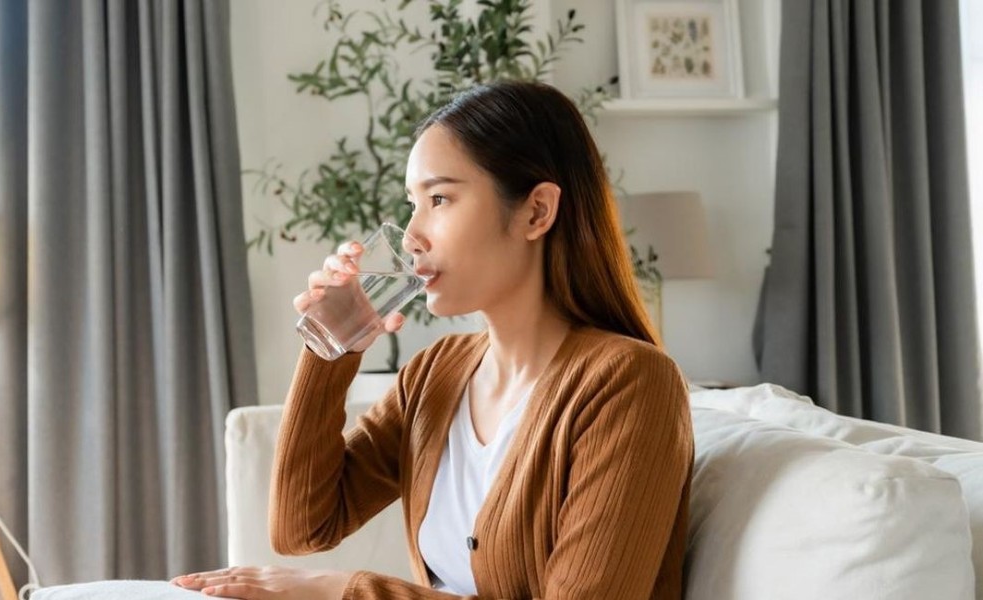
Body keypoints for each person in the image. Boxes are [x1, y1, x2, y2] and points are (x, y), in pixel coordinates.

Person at [172, 80, 694, 599]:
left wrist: (346, 592)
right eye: (412, 203)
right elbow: (302, 527)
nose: (410, 235)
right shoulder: (436, 374)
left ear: (536, 211)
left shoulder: (629, 382)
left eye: (439, 198)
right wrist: (330, 349)